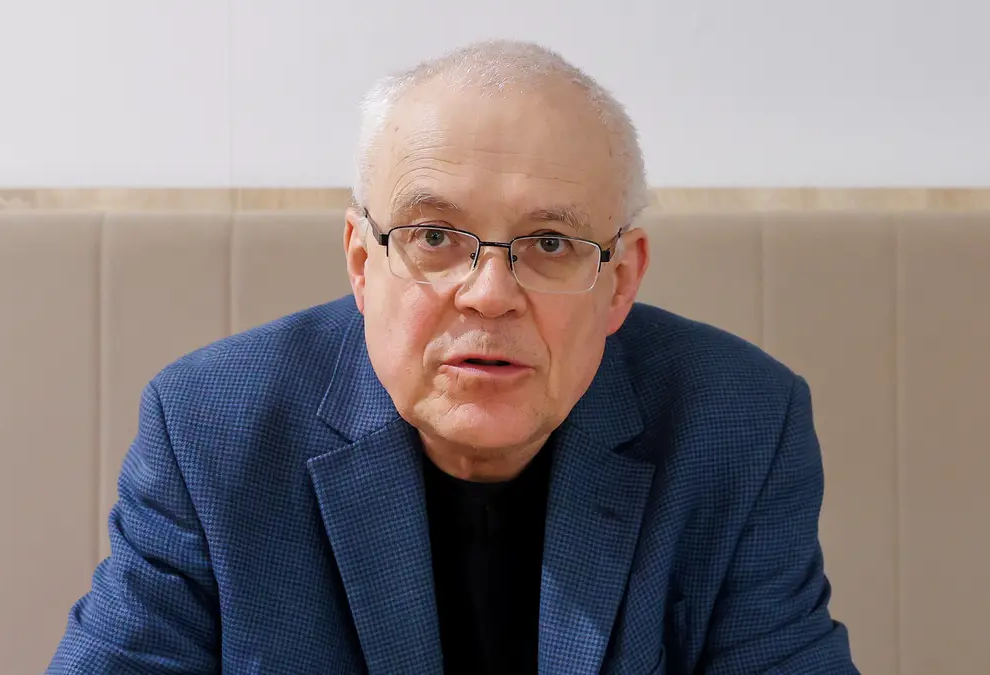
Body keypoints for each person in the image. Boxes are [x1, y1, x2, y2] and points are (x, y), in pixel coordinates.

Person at [48, 39, 857, 674]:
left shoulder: (738, 426)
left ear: (620, 281)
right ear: (362, 262)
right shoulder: (212, 431)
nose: (489, 293)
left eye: (549, 242)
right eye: (434, 236)